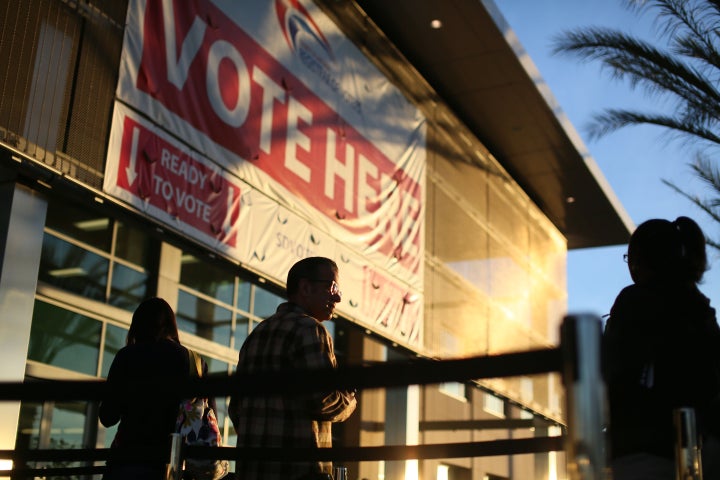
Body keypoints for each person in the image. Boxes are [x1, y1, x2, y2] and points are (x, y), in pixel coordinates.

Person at [604, 216, 720, 479]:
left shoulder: (634, 303)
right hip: (701, 449)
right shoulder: (701, 311)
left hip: (642, 451)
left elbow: (610, 374)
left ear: (637, 261)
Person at [229, 256, 357, 480]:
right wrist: (348, 397)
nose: (337, 296)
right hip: (299, 473)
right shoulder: (311, 330)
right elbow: (323, 399)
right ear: (305, 287)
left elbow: (236, 409)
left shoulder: (256, 334)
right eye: (332, 286)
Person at [99, 297, 192, 480]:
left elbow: (108, 417)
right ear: (171, 326)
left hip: (127, 461)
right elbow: (209, 418)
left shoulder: (126, 357)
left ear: (137, 326)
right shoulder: (191, 361)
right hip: (172, 465)